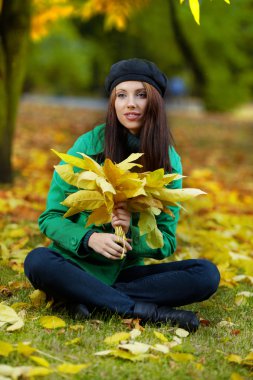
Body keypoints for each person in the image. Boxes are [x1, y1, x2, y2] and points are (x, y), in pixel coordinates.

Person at [24, 58, 220, 332]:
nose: (131, 103)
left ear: (154, 102)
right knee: (37, 261)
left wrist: (130, 234)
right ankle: (142, 310)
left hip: (126, 272)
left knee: (206, 275)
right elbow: (50, 218)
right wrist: (90, 238)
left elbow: (167, 241)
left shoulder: (168, 161)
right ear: (112, 103)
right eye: (121, 95)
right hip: (75, 264)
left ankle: (84, 298)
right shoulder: (87, 145)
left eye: (141, 95)